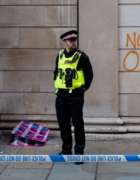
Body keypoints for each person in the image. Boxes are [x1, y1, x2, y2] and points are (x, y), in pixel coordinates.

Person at [53, 30, 93, 163]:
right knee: (63, 124)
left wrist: (81, 90)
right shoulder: (59, 56)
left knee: (77, 124)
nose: (73, 43)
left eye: (74, 40)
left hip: (75, 96)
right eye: (70, 41)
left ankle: (79, 152)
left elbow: (89, 75)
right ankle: (66, 151)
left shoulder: (82, 57)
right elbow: (56, 73)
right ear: (65, 42)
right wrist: (58, 88)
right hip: (61, 95)